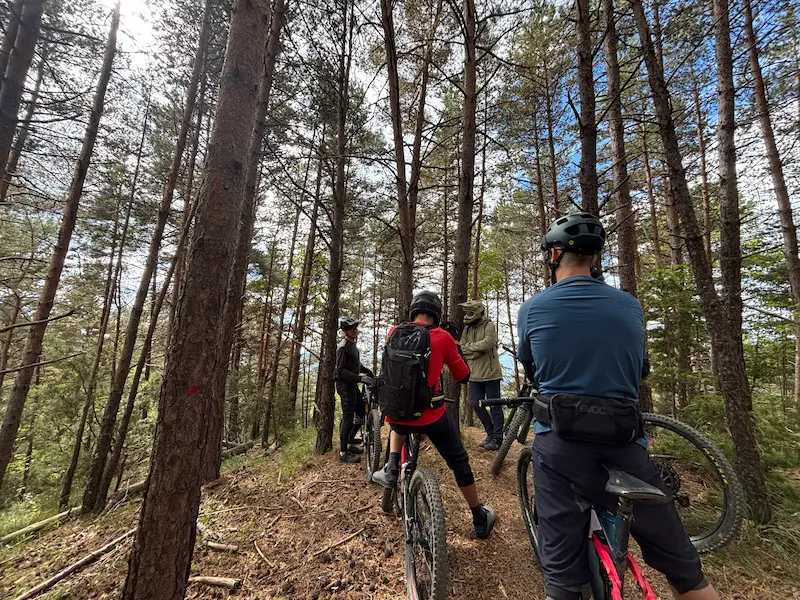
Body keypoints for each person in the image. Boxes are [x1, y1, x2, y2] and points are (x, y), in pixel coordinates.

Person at [517, 212, 720, 600]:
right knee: (687, 572)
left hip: (560, 448)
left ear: (553, 255)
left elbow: (532, 366)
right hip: (625, 444)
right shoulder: (629, 305)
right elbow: (640, 367)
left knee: (561, 579)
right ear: (595, 258)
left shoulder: (533, 308)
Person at [372, 291, 496, 539]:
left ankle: (392, 466)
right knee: (459, 461)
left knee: (399, 421)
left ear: (413, 311)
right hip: (431, 416)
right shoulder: (442, 337)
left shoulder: (393, 332)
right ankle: (478, 516)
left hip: (397, 416)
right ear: (437, 314)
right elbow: (462, 375)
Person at [458, 299, 504, 450]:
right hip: (474, 374)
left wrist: (470, 348)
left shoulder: (488, 325)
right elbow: (462, 349)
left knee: (494, 406)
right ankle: (490, 433)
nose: (467, 315)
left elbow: (488, 343)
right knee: (475, 404)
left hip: (491, 374)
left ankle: (497, 439)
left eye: (470, 312)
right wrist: (476, 351)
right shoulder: (467, 329)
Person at [335, 316, 374, 464]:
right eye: (352, 329)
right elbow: (341, 371)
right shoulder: (343, 347)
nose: (355, 330)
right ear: (345, 331)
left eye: (356, 328)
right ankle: (343, 452)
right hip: (344, 386)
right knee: (348, 416)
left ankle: (350, 442)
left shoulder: (352, 345)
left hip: (352, 384)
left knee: (361, 410)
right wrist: (360, 378)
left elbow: (356, 365)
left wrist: (368, 372)